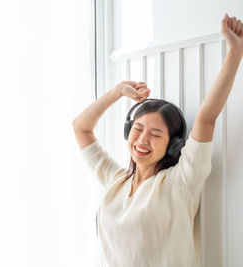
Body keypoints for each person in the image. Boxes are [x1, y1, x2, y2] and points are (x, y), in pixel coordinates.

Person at [72, 13, 242, 267]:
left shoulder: (181, 182)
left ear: (173, 145)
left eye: (155, 134)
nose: (142, 140)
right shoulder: (114, 180)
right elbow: (81, 127)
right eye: (137, 129)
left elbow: (207, 118)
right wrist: (118, 91)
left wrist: (235, 52)